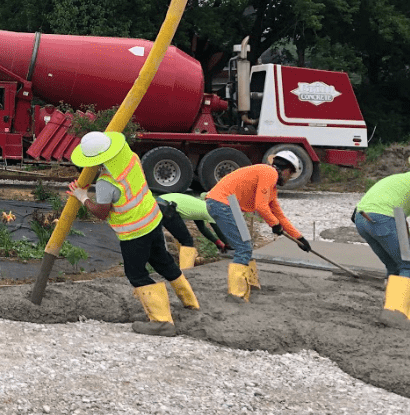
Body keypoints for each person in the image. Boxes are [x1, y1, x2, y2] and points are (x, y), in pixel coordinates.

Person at [66, 132, 199, 336]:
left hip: (134, 232)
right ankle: (190, 302)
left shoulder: (105, 182)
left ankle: (162, 322)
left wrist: (82, 197)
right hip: (152, 219)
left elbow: (102, 213)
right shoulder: (131, 158)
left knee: (136, 274)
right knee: (163, 261)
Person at [352, 147, 410, 327]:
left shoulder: (398, 179)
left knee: (394, 266)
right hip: (383, 220)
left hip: (362, 220)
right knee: (409, 267)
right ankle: (396, 315)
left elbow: (398, 222)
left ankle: (392, 309)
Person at [204, 152, 311, 302]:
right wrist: (274, 225)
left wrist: (299, 238)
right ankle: (236, 294)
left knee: (247, 244)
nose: (289, 179)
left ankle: (251, 284)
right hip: (222, 204)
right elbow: (261, 206)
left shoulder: (270, 185)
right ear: (286, 170)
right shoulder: (269, 173)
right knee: (243, 247)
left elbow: (279, 216)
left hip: (229, 204)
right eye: (290, 175)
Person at [157, 192, 233, 269]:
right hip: (167, 206)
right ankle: (186, 270)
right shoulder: (211, 210)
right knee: (187, 241)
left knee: (178, 237)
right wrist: (230, 245)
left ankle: (181, 263)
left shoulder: (199, 207)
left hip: (159, 202)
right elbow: (219, 231)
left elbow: (203, 228)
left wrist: (217, 242)